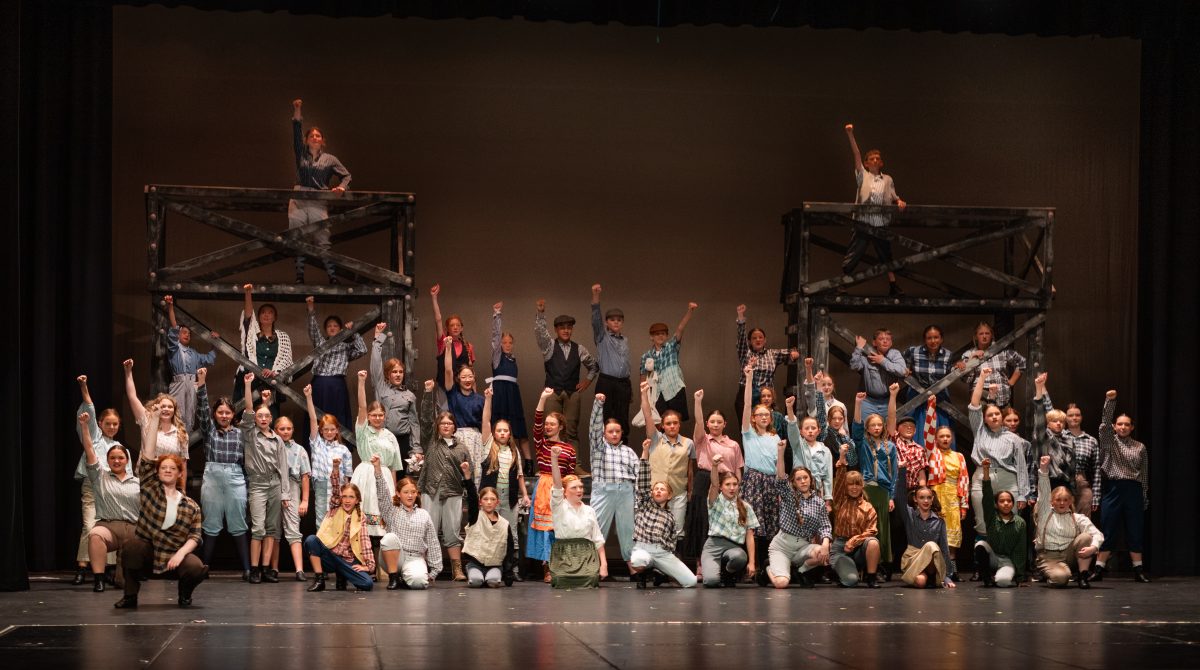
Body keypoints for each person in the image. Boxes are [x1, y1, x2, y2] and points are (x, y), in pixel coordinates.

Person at [113, 398, 207, 609]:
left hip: (174, 554)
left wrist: (181, 554)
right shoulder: (150, 489)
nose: (167, 470)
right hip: (149, 553)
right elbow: (147, 454)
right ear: (156, 472)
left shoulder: (190, 505)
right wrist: (154, 419)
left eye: (172, 468)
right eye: (163, 468)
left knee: (196, 567)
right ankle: (130, 596)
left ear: (179, 473)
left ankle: (184, 594)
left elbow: (195, 536)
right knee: (131, 547)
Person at [194, 368, 252, 579]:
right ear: (215, 414)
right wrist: (202, 383)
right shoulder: (209, 431)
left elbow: (250, 413)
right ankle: (204, 567)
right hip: (213, 477)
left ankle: (247, 569)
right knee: (210, 524)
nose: (224, 415)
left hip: (236, 478)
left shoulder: (240, 433)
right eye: (220, 412)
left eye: (228, 412)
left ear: (232, 414)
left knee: (238, 523)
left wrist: (247, 386)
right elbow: (201, 410)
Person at [1091, 389, 1150, 583]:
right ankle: (1099, 569)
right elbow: (1104, 424)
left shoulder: (1140, 447)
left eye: (1127, 424)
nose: (1123, 427)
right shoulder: (1109, 442)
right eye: (1120, 424)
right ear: (1115, 427)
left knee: (1135, 530)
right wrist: (1110, 401)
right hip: (1114, 489)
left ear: (1132, 427)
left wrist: (1144, 496)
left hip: (1133, 490)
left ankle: (1138, 570)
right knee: (1108, 529)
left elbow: (1144, 474)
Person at [416, 379, 472, 582]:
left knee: (452, 532)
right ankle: (424, 567)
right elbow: (424, 419)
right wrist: (428, 393)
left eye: (450, 423)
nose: (446, 426)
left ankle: (457, 569)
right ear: (438, 426)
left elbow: (469, 474)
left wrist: (466, 471)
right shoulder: (431, 441)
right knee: (426, 530)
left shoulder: (461, 448)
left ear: (454, 426)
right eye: (443, 423)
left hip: (453, 493)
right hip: (431, 490)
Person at [76, 412, 138, 593]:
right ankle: (99, 579)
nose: (117, 461)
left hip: (132, 528)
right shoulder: (100, 476)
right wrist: (85, 427)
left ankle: (125, 573)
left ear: (127, 461)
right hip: (109, 527)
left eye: (121, 458)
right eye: (112, 458)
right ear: (107, 461)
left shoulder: (136, 482)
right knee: (94, 533)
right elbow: (89, 449)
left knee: (124, 582)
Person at [289, 98, 350, 284]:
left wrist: (341, 187)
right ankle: (299, 276)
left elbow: (346, 175)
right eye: (312, 136)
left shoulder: (330, 159)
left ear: (323, 141)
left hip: (318, 198)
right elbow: (296, 128)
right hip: (299, 196)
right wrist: (297, 108)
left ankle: (332, 276)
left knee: (323, 238)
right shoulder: (301, 154)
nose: (315, 138)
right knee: (298, 236)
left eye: (318, 136)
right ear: (307, 140)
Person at [841, 123, 906, 296]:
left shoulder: (887, 179)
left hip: (879, 223)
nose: (875, 161)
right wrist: (850, 134)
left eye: (878, 158)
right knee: (854, 254)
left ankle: (893, 285)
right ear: (867, 163)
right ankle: (843, 285)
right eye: (872, 159)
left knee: (886, 255)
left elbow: (893, 195)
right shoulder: (863, 176)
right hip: (863, 222)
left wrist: (899, 201)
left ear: (881, 162)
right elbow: (856, 153)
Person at [351, 370, 404, 577]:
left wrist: (395, 492)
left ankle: (384, 568)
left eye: (380, 415)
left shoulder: (390, 436)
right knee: (366, 519)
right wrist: (361, 382)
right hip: (366, 474)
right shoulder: (364, 430)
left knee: (384, 523)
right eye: (374, 415)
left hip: (384, 478)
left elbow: (393, 466)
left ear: (385, 416)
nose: (377, 418)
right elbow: (362, 406)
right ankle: (366, 564)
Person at [966, 368, 1030, 539]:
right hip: (982, 478)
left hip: (1008, 479)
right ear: (984, 419)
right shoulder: (980, 431)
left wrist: (1023, 493)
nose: (994, 417)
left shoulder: (1013, 439)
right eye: (990, 415)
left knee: (1011, 522)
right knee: (982, 521)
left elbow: (1022, 467)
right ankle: (984, 558)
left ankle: (1008, 559)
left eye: (996, 414)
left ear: (1001, 417)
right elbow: (974, 404)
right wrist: (982, 377)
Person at [534, 299, 599, 465]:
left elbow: (594, 367)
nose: (566, 330)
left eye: (569, 327)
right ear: (556, 330)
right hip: (552, 393)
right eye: (562, 327)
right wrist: (541, 314)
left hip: (572, 393)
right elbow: (540, 333)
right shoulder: (549, 346)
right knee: (549, 429)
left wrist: (587, 381)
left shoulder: (580, 349)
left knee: (571, 430)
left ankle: (574, 465)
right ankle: (547, 464)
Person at [684, 389, 745, 566]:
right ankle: (700, 564)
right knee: (701, 521)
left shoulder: (733, 444)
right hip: (704, 480)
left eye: (719, 422)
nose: (716, 425)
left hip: (727, 482)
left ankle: (724, 562)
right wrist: (697, 401)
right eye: (712, 422)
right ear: (708, 424)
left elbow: (737, 470)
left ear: (725, 424)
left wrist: (737, 491)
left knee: (723, 521)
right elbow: (698, 421)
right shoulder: (703, 440)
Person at [72, 375, 123, 586]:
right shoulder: (94, 437)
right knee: (89, 526)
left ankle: (107, 569)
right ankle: (82, 567)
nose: (111, 427)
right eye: (108, 424)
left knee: (107, 529)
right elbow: (90, 410)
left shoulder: (118, 447)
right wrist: (84, 386)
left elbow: (124, 472)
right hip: (92, 487)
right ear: (100, 424)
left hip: (110, 491)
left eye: (115, 424)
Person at [240, 380, 292, 584]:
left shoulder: (277, 439)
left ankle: (266, 568)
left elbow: (283, 467)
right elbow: (248, 414)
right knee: (258, 528)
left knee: (272, 528)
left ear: (271, 419)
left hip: (275, 484)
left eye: (266, 416)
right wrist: (248, 386)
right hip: (258, 483)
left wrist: (285, 493)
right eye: (259, 416)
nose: (262, 418)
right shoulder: (250, 434)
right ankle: (254, 568)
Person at [629, 438, 697, 588]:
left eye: (662, 489)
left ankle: (658, 570)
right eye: (656, 489)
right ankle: (644, 573)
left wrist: (669, 560)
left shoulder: (670, 516)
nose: (658, 491)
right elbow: (643, 479)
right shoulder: (645, 504)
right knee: (638, 560)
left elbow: (672, 539)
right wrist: (645, 452)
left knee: (690, 582)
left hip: (662, 553)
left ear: (669, 495)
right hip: (643, 548)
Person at [846, 389, 899, 581]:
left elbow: (894, 473)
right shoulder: (863, 444)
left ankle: (882, 566)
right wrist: (858, 404)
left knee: (882, 528)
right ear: (868, 428)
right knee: (865, 526)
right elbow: (856, 428)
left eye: (879, 425)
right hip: (866, 489)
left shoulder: (890, 447)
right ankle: (864, 564)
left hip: (882, 491)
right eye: (873, 425)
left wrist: (891, 496)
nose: (876, 428)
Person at [479, 386, 531, 582]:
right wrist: (488, 400)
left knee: (511, 532)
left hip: (509, 497)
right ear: (494, 432)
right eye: (499, 430)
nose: (502, 433)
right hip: (491, 498)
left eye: (505, 431)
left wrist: (524, 495)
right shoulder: (488, 446)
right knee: (491, 531)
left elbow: (519, 475)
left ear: (510, 434)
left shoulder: (514, 451)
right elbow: (485, 420)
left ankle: (512, 568)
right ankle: (490, 565)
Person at [526, 387, 577, 582]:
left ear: (560, 427)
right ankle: (547, 569)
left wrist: (569, 493)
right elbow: (536, 425)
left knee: (559, 529)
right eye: (547, 424)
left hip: (561, 488)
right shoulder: (542, 444)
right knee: (545, 530)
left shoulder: (569, 450)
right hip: (544, 488)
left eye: (552, 424)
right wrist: (542, 398)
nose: (547, 427)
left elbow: (570, 474)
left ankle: (561, 565)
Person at [739, 365, 783, 584]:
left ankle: (768, 565)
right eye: (760, 415)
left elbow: (778, 465)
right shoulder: (748, 433)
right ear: (754, 418)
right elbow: (747, 404)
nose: (764, 417)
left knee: (771, 524)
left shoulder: (775, 438)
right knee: (754, 525)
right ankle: (751, 566)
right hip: (754, 480)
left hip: (771, 482)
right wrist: (749, 379)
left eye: (767, 414)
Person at [586, 393, 639, 574]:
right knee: (596, 528)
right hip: (604, 491)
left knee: (628, 531)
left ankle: (633, 567)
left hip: (625, 492)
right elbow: (594, 428)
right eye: (610, 431)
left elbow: (638, 476)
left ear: (622, 432)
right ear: (605, 433)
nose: (614, 434)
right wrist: (598, 405)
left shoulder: (629, 452)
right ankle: (591, 566)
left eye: (617, 431)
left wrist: (637, 499)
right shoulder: (599, 448)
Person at [767, 442, 833, 589]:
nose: (803, 481)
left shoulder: (818, 502)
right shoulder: (789, 496)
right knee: (782, 583)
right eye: (798, 479)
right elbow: (781, 479)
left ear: (810, 479)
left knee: (821, 553)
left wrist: (825, 544)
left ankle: (800, 571)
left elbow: (825, 525)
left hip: (803, 546)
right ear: (794, 483)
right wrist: (780, 452)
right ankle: (769, 570)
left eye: (805, 478)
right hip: (782, 546)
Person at [303, 459, 375, 592]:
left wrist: (369, 566)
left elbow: (365, 543)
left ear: (357, 500)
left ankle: (342, 575)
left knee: (367, 583)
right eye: (345, 497)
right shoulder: (336, 507)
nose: (347, 500)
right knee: (311, 540)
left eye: (351, 497)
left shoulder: (361, 517)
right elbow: (336, 488)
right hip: (330, 555)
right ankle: (320, 579)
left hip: (347, 561)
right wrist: (335, 468)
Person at [639, 380, 695, 547]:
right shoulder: (655, 439)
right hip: (655, 494)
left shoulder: (688, 443)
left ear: (679, 425)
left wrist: (690, 490)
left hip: (678, 494)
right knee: (653, 530)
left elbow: (690, 470)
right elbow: (647, 414)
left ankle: (672, 566)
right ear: (662, 426)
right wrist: (644, 394)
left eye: (675, 423)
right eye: (668, 423)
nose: (672, 426)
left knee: (676, 532)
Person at [1034, 456, 1103, 588]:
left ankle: (1083, 576)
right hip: (1049, 556)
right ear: (1052, 501)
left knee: (1086, 537)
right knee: (1060, 580)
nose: (1062, 503)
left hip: (1069, 555)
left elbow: (1097, 534)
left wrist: (1093, 548)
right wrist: (1043, 469)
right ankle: (1051, 573)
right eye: (1058, 500)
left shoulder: (1077, 518)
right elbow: (1043, 492)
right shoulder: (1045, 513)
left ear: (1071, 501)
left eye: (1065, 500)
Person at [374, 457, 441, 590]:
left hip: (414, 558)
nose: (410, 496)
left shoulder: (424, 514)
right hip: (394, 557)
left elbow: (433, 542)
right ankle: (393, 577)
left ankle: (404, 578)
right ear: (398, 494)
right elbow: (383, 496)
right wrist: (377, 469)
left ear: (417, 494)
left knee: (419, 583)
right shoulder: (391, 511)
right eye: (406, 492)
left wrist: (435, 570)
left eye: (413, 492)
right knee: (389, 538)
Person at [123, 358, 189, 491]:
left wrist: (183, 489)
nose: (166, 409)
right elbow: (132, 397)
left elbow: (183, 465)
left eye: (170, 407)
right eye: (163, 406)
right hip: (148, 480)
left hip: (171, 483)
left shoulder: (181, 433)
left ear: (174, 411)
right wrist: (128, 372)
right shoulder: (147, 421)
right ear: (156, 407)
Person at [547, 445, 607, 589]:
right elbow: (556, 484)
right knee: (561, 579)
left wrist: (604, 565)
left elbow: (598, 539)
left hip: (586, 554)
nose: (579, 490)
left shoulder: (589, 510)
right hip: (564, 554)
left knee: (591, 578)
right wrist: (554, 459)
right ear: (565, 492)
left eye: (580, 487)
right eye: (574, 488)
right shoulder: (559, 507)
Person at [306, 296, 366, 430]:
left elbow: (362, 350)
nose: (332, 328)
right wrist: (311, 309)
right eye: (329, 326)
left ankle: (340, 446)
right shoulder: (320, 342)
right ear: (325, 329)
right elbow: (313, 329)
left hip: (337, 385)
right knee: (317, 416)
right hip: (320, 383)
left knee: (337, 417)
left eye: (335, 326)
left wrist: (353, 332)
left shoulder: (346, 346)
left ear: (340, 328)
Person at [892, 467, 955, 589]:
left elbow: (944, 547)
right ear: (915, 499)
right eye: (921, 498)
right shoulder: (910, 515)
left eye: (928, 498)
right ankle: (927, 579)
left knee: (931, 545)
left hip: (932, 563)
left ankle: (934, 577)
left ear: (932, 500)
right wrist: (901, 471)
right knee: (920, 582)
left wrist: (948, 575)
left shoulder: (939, 521)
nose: (925, 501)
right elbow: (900, 497)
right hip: (914, 559)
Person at [235, 283, 293, 416]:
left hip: (271, 386)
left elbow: (287, 362)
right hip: (251, 383)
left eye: (270, 313)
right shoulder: (252, 335)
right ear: (259, 316)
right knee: (248, 417)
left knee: (270, 419)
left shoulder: (283, 337)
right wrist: (248, 293)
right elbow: (248, 317)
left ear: (275, 317)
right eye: (263, 313)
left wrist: (275, 372)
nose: (266, 315)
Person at [734, 303, 798, 420]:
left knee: (768, 425)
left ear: (765, 340)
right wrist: (741, 316)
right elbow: (741, 338)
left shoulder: (772, 354)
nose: (758, 339)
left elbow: (790, 352)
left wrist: (793, 353)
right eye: (754, 338)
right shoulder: (746, 352)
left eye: (760, 337)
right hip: (747, 394)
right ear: (750, 341)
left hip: (766, 394)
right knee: (747, 427)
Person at [163, 295, 217, 432]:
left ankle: (186, 444)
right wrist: (170, 306)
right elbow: (174, 328)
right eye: (184, 332)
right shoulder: (174, 348)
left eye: (189, 333)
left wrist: (215, 343)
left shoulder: (194, 353)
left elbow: (209, 359)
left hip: (192, 383)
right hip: (179, 383)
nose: (187, 335)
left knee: (190, 415)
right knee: (176, 413)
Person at [371, 321, 420, 472]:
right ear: (388, 374)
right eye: (394, 372)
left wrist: (417, 448)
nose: (398, 374)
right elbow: (375, 365)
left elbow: (414, 423)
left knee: (400, 478)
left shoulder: (409, 396)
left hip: (403, 441)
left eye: (400, 372)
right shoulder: (382, 388)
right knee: (383, 474)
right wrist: (378, 339)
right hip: (383, 437)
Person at [830, 445, 881, 588]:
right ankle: (843, 570)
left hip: (858, 547)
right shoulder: (840, 501)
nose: (854, 487)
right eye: (850, 484)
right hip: (841, 547)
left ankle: (871, 577)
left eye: (857, 484)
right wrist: (842, 458)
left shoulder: (868, 507)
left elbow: (872, 531)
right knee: (851, 581)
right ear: (846, 487)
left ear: (861, 486)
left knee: (873, 542)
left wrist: (854, 540)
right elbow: (839, 481)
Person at [639, 301, 698, 423]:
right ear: (652, 337)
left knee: (676, 420)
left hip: (674, 387)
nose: (660, 336)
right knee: (659, 422)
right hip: (657, 392)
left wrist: (690, 310)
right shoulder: (646, 356)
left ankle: (676, 442)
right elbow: (643, 376)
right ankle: (661, 442)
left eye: (663, 334)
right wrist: (644, 396)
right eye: (657, 334)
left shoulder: (671, 347)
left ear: (666, 336)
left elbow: (680, 329)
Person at [303, 384, 353, 529]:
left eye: (332, 430)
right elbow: (313, 419)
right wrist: (308, 397)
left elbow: (348, 477)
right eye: (326, 430)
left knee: (339, 521)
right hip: (322, 484)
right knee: (322, 521)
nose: (329, 432)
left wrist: (346, 493)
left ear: (337, 430)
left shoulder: (343, 449)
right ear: (321, 431)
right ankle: (322, 550)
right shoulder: (317, 444)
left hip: (339, 488)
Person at [701, 462, 758, 588]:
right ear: (721, 487)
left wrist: (752, 562)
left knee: (740, 557)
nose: (732, 488)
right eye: (727, 484)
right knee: (711, 582)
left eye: (734, 484)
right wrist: (714, 467)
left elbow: (749, 535)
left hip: (733, 547)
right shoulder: (716, 501)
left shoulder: (745, 507)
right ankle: (715, 570)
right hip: (713, 546)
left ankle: (727, 572)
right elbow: (714, 485)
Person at [925, 418, 969, 581]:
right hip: (935, 496)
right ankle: (934, 569)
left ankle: (952, 570)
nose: (944, 439)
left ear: (952, 439)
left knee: (952, 538)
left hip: (952, 498)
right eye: (941, 436)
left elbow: (964, 481)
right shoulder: (931, 453)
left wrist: (963, 504)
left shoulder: (959, 456)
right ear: (936, 439)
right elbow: (928, 431)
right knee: (934, 534)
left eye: (947, 436)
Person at [461, 461, 516, 588]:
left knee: (492, 581)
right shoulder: (475, 517)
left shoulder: (504, 524)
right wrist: (467, 476)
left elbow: (509, 549)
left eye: (492, 499)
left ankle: (493, 574)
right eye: (485, 499)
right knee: (476, 581)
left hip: (494, 564)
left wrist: (508, 572)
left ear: (497, 502)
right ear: (481, 502)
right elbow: (472, 498)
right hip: (476, 563)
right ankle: (471, 570)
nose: (489, 502)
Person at [974, 458, 1027, 588]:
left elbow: (1021, 550)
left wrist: (1020, 577)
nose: (1006, 503)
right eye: (1002, 501)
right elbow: (987, 494)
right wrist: (986, 470)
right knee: (980, 545)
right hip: (992, 556)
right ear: (996, 505)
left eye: (1009, 501)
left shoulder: (1020, 523)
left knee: (1003, 582)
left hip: (1007, 561)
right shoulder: (992, 517)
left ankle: (999, 576)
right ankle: (986, 577)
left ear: (1013, 503)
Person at [488, 301, 529, 462]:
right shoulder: (497, 357)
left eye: (509, 342)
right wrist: (497, 315)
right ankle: (497, 459)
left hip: (512, 394)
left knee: (518, 428)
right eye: (504, 342)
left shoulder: (513, 359)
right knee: (500, 425)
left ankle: (527, 463)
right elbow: (495, 337)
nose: (507, 345)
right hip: (500, 394)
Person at [442, 335, 485, 487]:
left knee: (476, 474)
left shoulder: (480, 399)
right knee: (457, 474)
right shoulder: (453, 394)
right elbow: (448, 370)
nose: (467, 379)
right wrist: (448, 348)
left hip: (476, 439)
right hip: (457, 437)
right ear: (458, 379)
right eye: (464, 376)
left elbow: (485, 423)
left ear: (474, 378)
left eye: (470, 376)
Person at [270, 415, 310, 582]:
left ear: (293, 430)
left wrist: (305, 500)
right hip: (273, 486)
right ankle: (273, 568)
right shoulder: (271, 446)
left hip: (292, 488)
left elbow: (305, 476)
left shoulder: (299, 450)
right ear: (276, 430)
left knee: (293, 529)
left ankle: (299, 569)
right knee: (273, 530)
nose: (285, 431)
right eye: (282, 428)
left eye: (288, 428)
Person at [591, 284, 633, 441]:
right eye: (612, 320)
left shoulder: (625, 340)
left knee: (623, 418)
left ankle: (623, 453)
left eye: (619, 320)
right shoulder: (602, 337)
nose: (616, 322)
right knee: (605, 417)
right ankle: (604, 453)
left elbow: (625, 364)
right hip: (607, 382)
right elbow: (596, 319)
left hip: (623, 383)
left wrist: (629, 387)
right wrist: (596, 296)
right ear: (607, 322)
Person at [901, 325, 953, 446]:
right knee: (916, 425)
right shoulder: (914, 351)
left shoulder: (948, 355)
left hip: (940, 395)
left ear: (941, 339)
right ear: (924, 339)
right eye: (929, 338)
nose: (933, 341)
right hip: (917, 392)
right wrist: (905, 368)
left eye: (936, 337)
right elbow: (899, 360)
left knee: (942, 425)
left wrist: (960, 365)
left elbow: (951, 371)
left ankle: (942, 460)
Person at [957, 322, 1025, 409]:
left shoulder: (1002, 351)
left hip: (1002, 395)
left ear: (991, 335)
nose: (984, 336)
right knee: (982, 421)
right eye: (981, 334)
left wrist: (1011, 381)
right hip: (982, 396)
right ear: (976, 337)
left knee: (1004, 422)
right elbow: (966, 379)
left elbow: (1021, 362)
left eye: (987, 333)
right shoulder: (969, 354)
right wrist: (971, 359)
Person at [783, 393, 834, 508]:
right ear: (801, 431)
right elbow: (792, 429)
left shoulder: (825, 451)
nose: (810, 431)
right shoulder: (798, 445)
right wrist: (790, 409)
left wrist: (828, 499)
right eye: (806, 428)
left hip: (818, 491)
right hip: (798, 490)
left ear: (819, 430)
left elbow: (828, 477)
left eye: (813, 428)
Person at [849, 330, 907, 424]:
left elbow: (902, 371)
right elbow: (854, 366)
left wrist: (883, 361)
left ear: (891, 342)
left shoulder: (895, 354)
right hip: (868, 401)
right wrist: (859, 347)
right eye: (881, 339)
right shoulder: (867, 355)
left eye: (888, 339)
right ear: (874, 342)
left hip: (887, 402)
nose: (885, 341)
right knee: (864, 429)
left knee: (886, 431)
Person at [430, 283, 476, 377]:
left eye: (458, 325)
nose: (455, 327)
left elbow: (471, 371)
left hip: (462, 388)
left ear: (461, 328)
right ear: (446, 328)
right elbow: (438, 320)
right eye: (452, 325)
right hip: (445, 387)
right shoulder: (443, 341)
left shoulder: (468, 346)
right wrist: (434, 298)